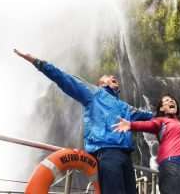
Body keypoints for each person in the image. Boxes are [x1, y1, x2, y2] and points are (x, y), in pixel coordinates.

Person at [14, 49, 152, 194]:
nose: (113, 76)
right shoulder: (94, 93)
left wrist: (169, 116)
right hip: (107, 152)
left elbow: (149, 116)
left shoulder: (125, 107)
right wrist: (38, 62)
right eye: (108, 77)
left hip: (125, 155)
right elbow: (65, 79)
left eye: (113, 76)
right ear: (100, 84)